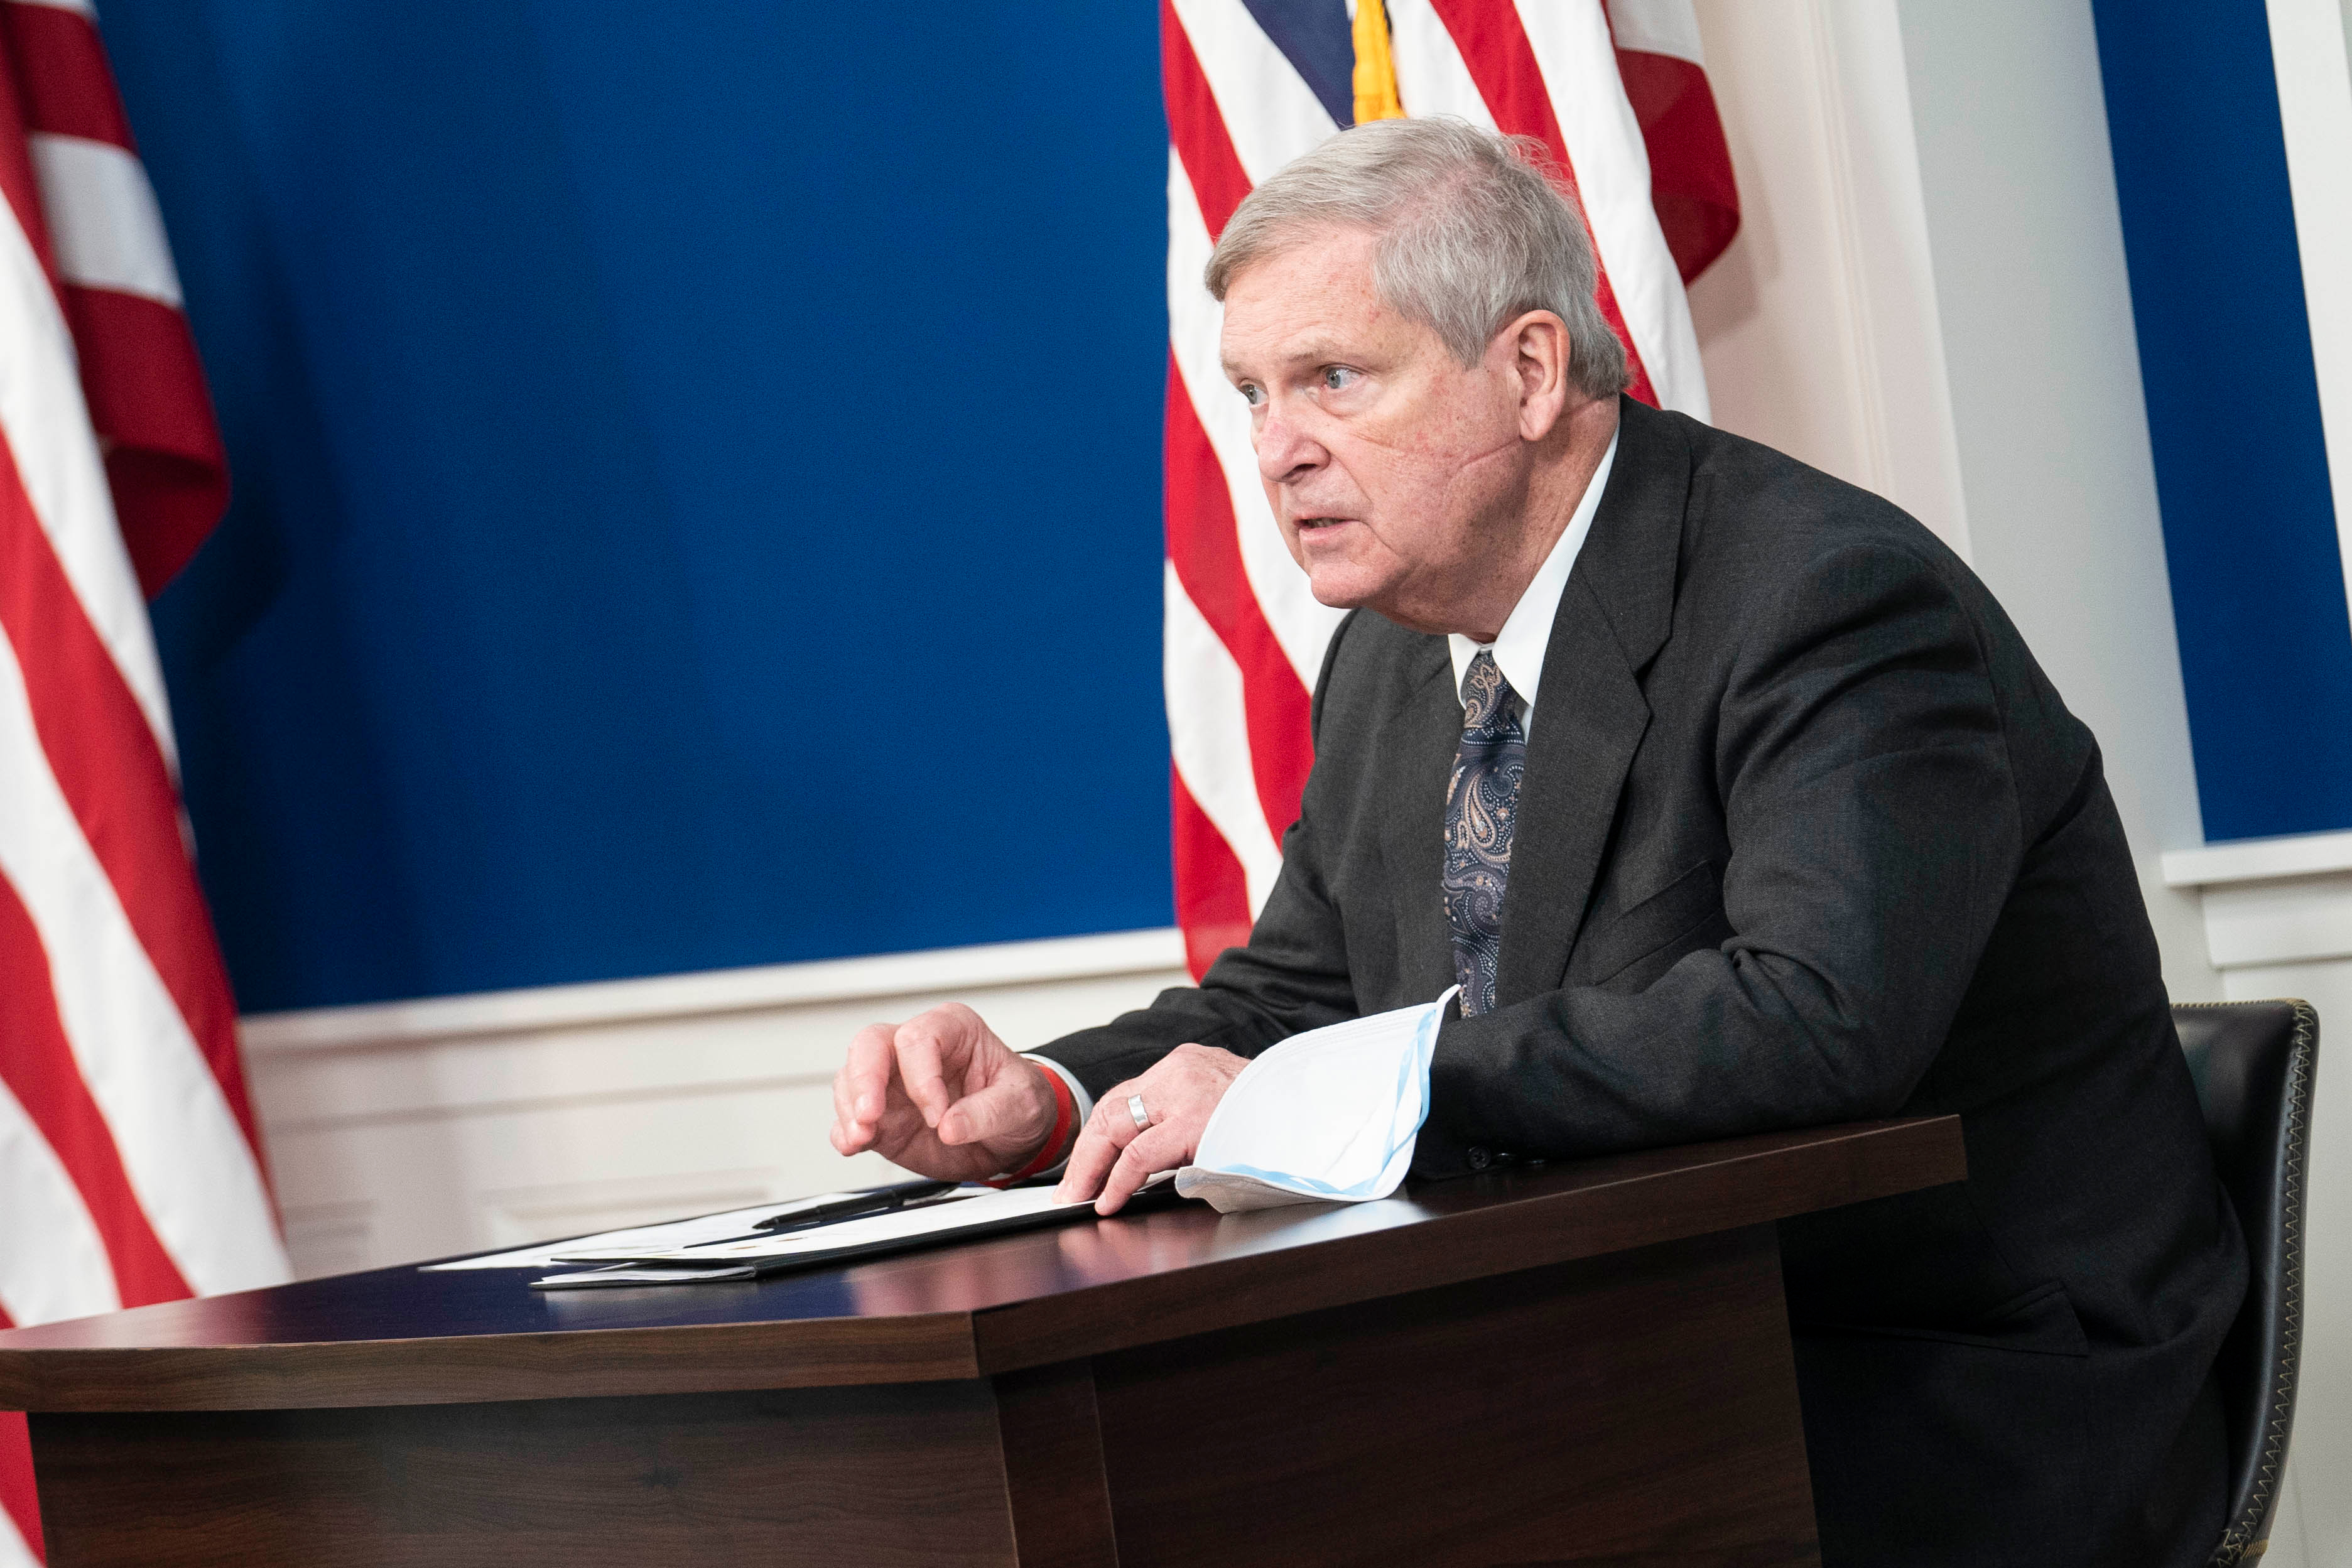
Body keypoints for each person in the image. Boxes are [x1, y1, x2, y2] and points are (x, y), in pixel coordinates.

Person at [828, 117, 2244, 1566]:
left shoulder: (1827, 600)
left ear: (1527, 371)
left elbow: (1816, 1022)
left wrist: (1320, 1093)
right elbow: (1293, 1002)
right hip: (1595, 1350)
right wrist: (1056, 1103)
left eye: (1332, 378)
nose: (1273, 451)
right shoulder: (1388, 660)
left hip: (1936, 1368)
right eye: (1253, 392)